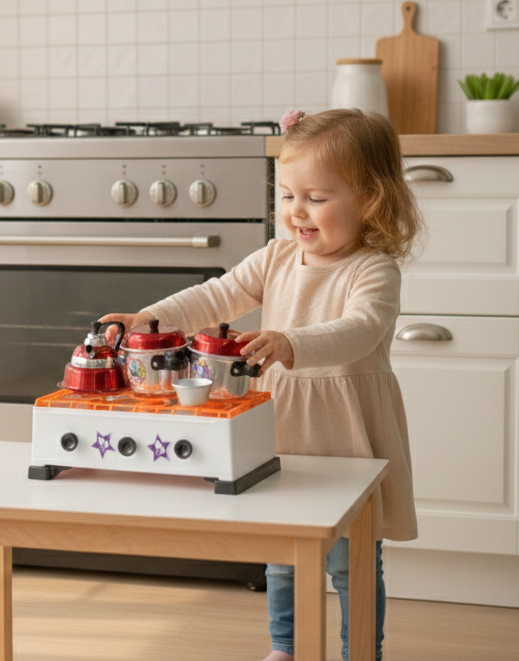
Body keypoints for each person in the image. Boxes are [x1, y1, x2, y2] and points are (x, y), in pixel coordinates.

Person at [100, 107, 421, 661]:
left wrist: (293, 343)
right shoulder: (277, 256)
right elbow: (213, 296)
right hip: (281, 422)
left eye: (317, 198)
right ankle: (286, 648)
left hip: (348, 429)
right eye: (289, 195)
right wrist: (147, 319)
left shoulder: (374, 269)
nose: (298, 211)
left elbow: (362, 330)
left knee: (352, 561)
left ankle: (361, 650)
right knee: (281, 550)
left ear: (370, 199)